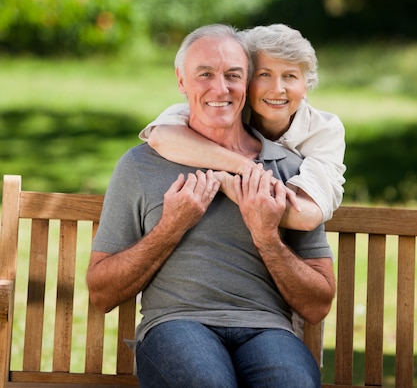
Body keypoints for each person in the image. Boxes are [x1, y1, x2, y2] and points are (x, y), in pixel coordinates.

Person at [87, 23, 335, 388]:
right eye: (205, 74)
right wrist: (171, 227)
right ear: (181, 80)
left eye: (233, 75)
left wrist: (266, 236)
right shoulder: (141, 166)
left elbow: (317, 304)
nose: (221, 89)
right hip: (177, 324)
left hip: (267, 330)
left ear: (247, 82)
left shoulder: (290, 172)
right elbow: (101, 292)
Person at [140, 23, 346, 227]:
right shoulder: (226, 107)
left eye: (290, 76)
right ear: (245, 79)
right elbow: (161, 137)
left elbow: (306, 216)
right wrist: (246, 167)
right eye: (264, 75)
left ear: (306, 85)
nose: (277, 89)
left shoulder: (324, 131)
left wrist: (230, 185)